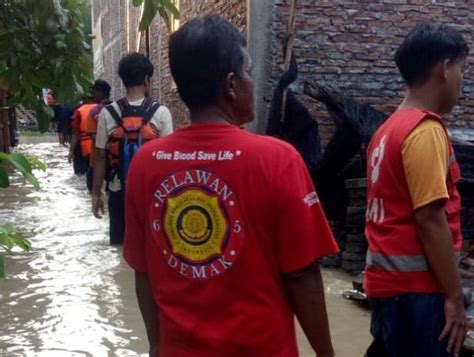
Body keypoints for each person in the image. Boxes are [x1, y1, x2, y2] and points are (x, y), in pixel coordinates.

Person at [123, 15, 339, 357]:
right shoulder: (278, 159)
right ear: (231, 85)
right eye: (248, 72)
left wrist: (155, 345)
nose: (252, 82)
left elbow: (143, 270)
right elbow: (302, 274)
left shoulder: (145, 164)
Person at [364, 23, 469, 357]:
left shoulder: (387, 130)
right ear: (444, 69)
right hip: (418, 293)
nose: (462, 81)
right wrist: (454, 297)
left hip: (387, 288)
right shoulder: (424, 131)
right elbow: (430, 219)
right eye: (462, 70)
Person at [91, 53, 173, 245]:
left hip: (117, 192)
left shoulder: (108, 113)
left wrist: (96, 194)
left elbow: (101, 157)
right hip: (153, 195)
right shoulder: (161, 113)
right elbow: (169, 160)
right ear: (147, 79)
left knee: (120, 246)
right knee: (150, 248)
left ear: (122, 79)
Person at [68, 79, 111, 191]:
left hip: (93, 156)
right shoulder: (117, 109)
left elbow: (76, 133)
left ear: (100, 92)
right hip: (113, 158)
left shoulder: (91, 112)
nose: (92, 95)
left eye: (94, 92)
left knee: (92, 191)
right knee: (110, 190)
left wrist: (71, 151)